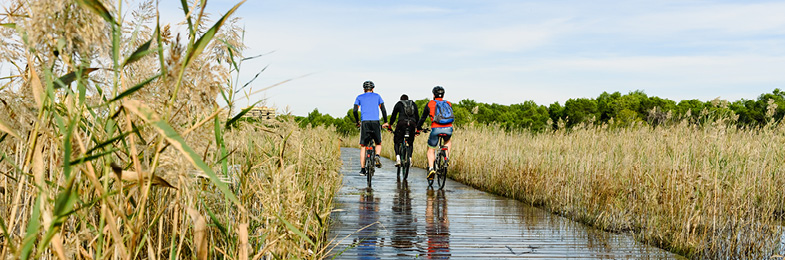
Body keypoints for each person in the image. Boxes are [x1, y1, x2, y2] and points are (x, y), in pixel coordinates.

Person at [417, 86, 453, 180]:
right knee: (448, 141)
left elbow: (423, 118)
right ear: (443, 95)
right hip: (449, 128)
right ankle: (446, 158)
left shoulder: (430, 104)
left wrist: (418, 128)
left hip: (436, 129)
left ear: (433, 94)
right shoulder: (448, 103)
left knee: (431, 149)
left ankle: (431, 168)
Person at [353, 80, 389, 176]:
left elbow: (355, 110)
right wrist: (385, 121)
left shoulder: (359, 97)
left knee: (363, 146)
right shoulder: (377, 96)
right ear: (373, 89)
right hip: (375, 122)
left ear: (364, 89)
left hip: (365, 122)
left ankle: (362, 169)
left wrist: (357, 121)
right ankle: (377, 155)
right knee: (378, 143)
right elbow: (383, 109)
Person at [388, 94, 419, 166]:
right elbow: (417, 116)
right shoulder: (413, 104)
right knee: (410, 143)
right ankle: (410, 160)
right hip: (412, 123)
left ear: (401, 99)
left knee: (396, 141)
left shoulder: (399, 104)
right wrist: (418, 129)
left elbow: (393, 116)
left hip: (401, 123)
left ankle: (398, 159)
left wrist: (390, 126)